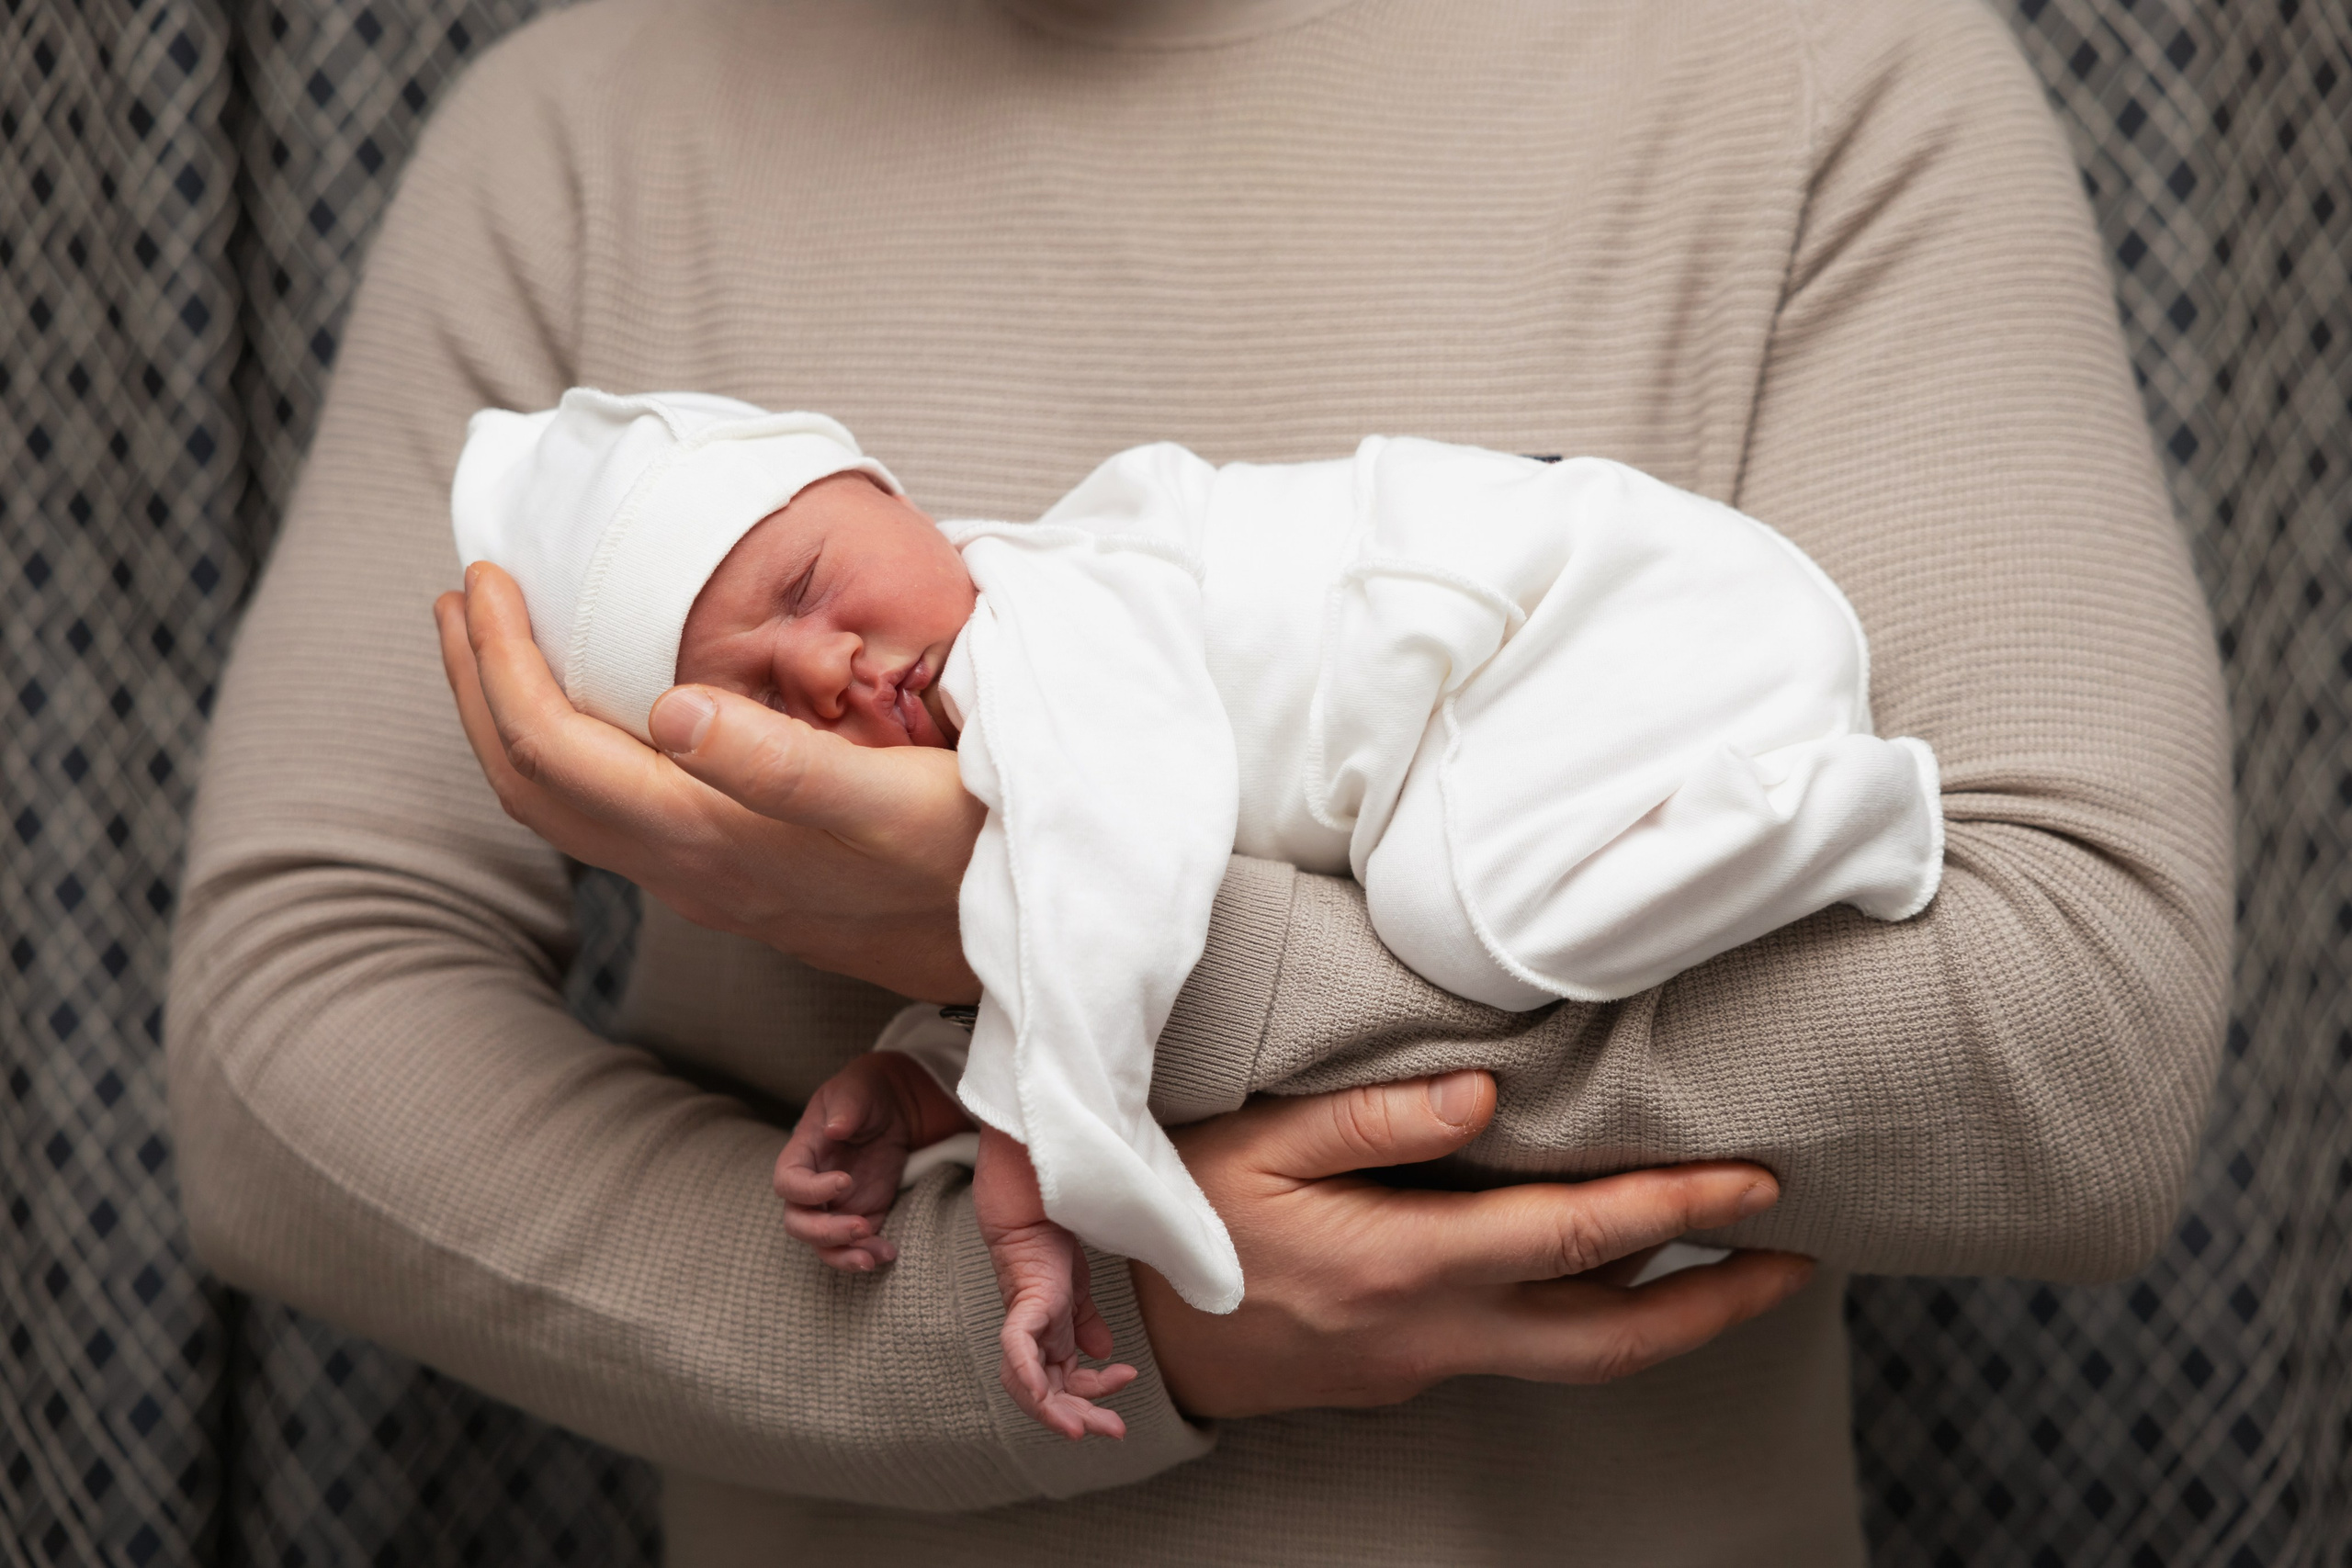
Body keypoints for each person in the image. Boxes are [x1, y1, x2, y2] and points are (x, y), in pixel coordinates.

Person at [164, 0, 2232, 1562]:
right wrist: (1114, 1306)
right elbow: (289, 1049)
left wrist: (1054, 958)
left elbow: (2081, 1054)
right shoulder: (578, 141)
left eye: (806, 587)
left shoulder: (1822, 73)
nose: (829, 667)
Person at [450, 386, 1945, 1438]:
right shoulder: (1005, 710)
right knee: (1446, 896)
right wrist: (923, 1082)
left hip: (1601, 623)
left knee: (1458, 920)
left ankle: (1835, 815)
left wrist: (1034, 1206)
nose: (825, 665)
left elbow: (1115, 896)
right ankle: (1758, 801)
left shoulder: (1043, 624)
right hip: (1593, 669)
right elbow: (1053, 927)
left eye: (809, 585)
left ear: (895, 497)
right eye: (762, 701)